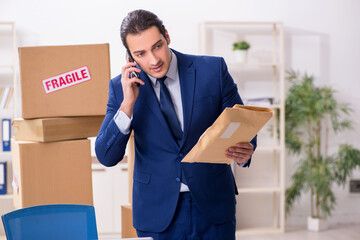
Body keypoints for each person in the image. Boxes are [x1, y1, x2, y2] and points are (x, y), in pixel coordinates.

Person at [95, 9, 257, 240]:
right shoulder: (120, 88)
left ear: (167, 37)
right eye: (140, 54)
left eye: (157, 46)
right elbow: (106, 156)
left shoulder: (212, 70)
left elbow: (244, 124)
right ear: (130, 58)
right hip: (156, 212)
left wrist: (244, 152)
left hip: (213, 205)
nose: (154, 60)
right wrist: (127, 104)